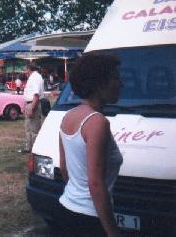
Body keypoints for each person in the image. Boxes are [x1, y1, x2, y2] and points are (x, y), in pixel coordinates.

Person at [58, 53, 123, 236]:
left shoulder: (68, 116)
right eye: (116, 78)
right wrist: (112, 232)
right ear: (99, 83)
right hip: (90, 220)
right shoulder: (97, 122)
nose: (121, 84)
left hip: (66, 208)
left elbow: (65, 169)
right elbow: (96, 184)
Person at [20, 62, 44, 154]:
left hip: (33, 103)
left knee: (34, 129)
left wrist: (32, 108)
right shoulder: (32, 77)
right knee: (28, 128)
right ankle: (29, 147)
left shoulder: (35, 77)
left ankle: (35, 149)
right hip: (29, 103)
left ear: (29, 69)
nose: (24, 72)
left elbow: (36, 94)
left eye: (25, 69)